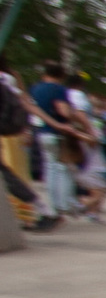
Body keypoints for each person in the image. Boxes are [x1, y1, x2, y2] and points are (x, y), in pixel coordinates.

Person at [30, 62, 102, 222]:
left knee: (50, 170)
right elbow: (63, 110)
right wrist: (74, 118)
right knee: (64, 169)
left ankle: (54, 206)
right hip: (59, 133)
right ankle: (65, 205)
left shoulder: (35, 88)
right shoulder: (58, 89)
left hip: (42, 132)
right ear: (61, 75)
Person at [0, 67, 42, 232]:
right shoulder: (8, 78)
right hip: (11, 134)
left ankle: (28, 212)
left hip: (10, 136)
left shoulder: (6, 79)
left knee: (10, 173)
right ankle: (29, 212)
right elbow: (23, 102)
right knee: (13, 173)